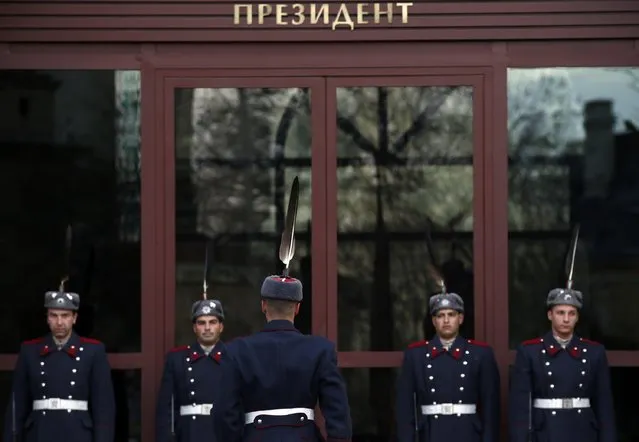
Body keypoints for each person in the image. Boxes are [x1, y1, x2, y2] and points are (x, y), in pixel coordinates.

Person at [215, 176, 352, 442]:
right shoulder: (320, 351)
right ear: (298, 308)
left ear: (263, 305)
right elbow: (338, 414)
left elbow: (223, 414)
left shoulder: (237, 352)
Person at [508, 227, 617, 442]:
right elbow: (520, 408)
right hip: (545, 432)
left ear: (577, 317)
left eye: (571, 313)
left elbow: (604, 407)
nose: (565, 318)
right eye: (560, 313)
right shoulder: (530, 352)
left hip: (582, 432)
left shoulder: (594, 353)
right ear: (550, 315)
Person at [3, 269, 116, 442]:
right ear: (47, 318)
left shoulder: (93, 351)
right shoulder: (30, 350)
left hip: (78, 434)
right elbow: (17, 405)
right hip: (40, 433)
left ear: (74, 318)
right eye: (54, 316)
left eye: (65, 316)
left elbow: (103, 409)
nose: (60, 322)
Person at [396, 280, 500, 442]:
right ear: (433, 321)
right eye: (440, 316)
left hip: (467, 433)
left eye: (451, 315)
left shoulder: (480, 354)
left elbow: (490, 407)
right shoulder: (416, 355)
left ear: (460, 318)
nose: (446, 320)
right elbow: (405, 408)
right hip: (430, 433)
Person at [155, 298, 226, 442]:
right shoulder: (177, 359)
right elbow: (167, 409)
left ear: (221, 327)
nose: (207, 328)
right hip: (189, 434)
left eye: (212, 322)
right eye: (201, 323)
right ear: (194, 328)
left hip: (223, 433)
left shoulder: (234, 357)